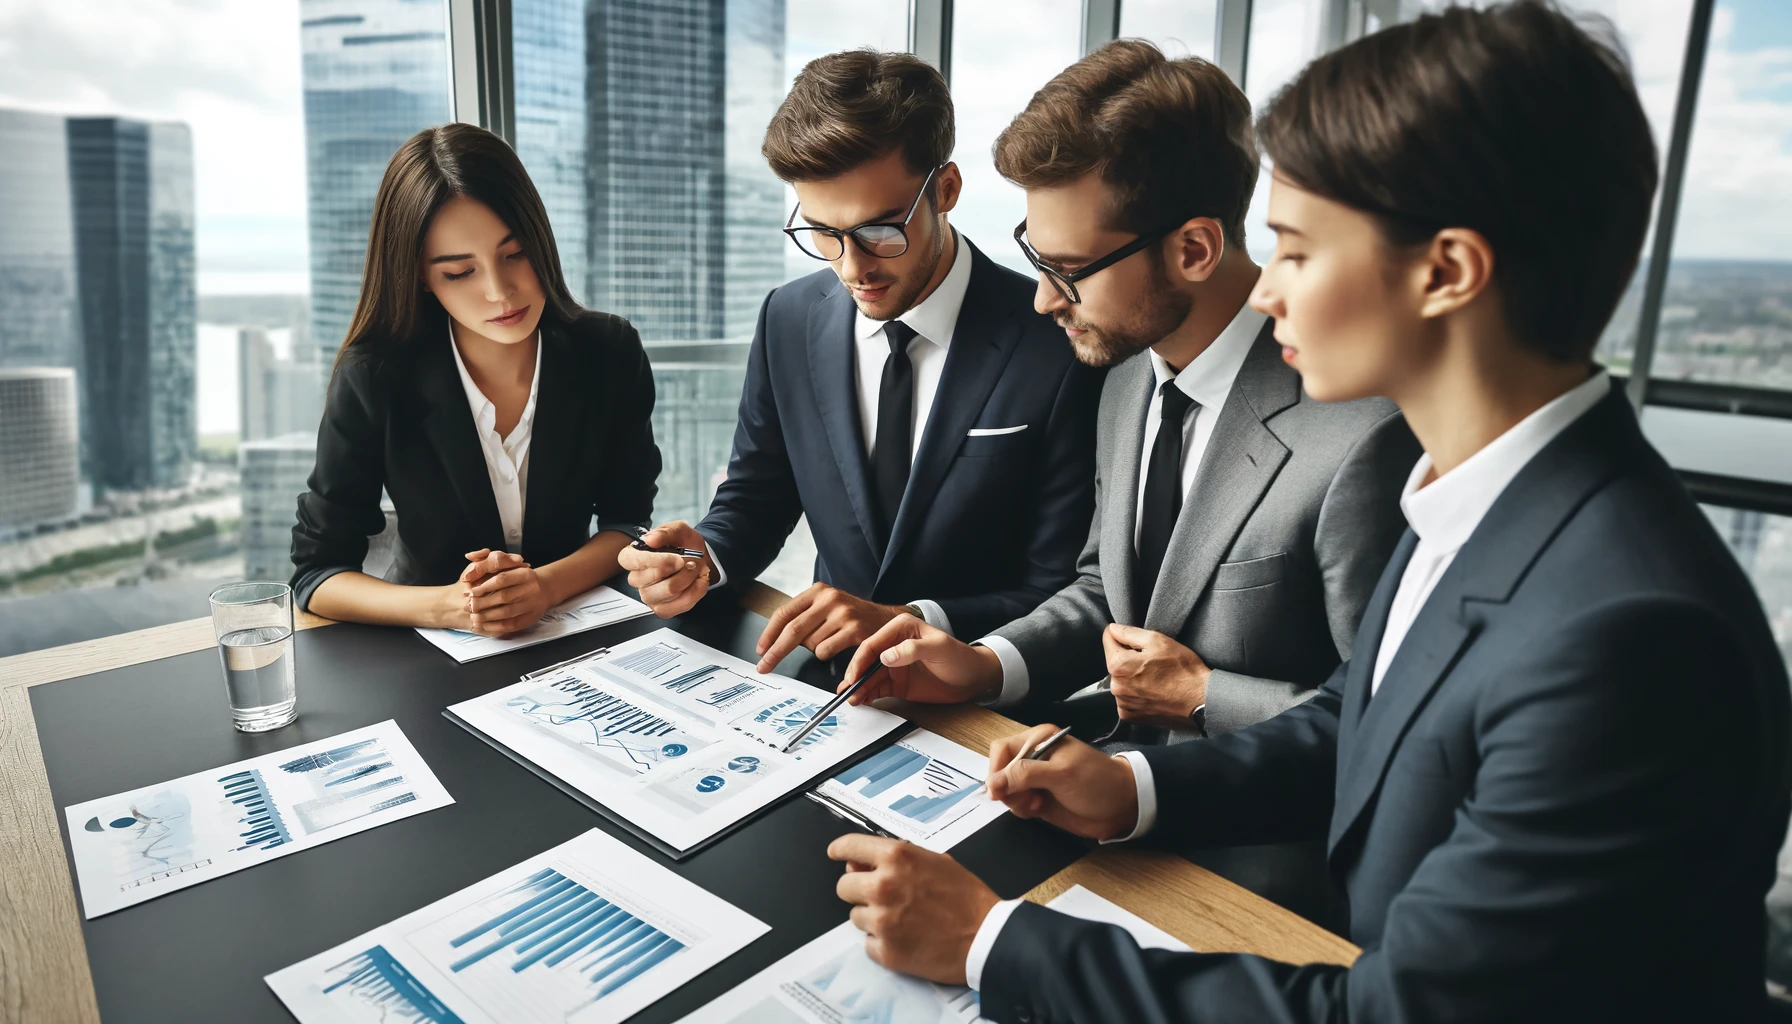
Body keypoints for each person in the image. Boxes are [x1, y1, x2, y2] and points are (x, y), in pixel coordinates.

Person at [827, 3, 1792, 1020]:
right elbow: (1362, 719)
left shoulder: (1630, 636)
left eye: (1292, 247)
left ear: (1446, 272)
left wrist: (994, 945)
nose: (1265, 290)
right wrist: (1138, 791)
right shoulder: (1483, 497)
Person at [838, 41, 1416, 750]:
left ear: (1194, 249)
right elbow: (1108, 595)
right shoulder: (1123, 379)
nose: (1046, 300)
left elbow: (1395, 719)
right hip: (1100, 788)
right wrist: (982, 666)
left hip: (1240, 847)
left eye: (1071, 269)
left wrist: (1207, 699)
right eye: (1036, 259)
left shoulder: (1364, 430)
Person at [618, 50, 1101, 670]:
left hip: (980, 695)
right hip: (824, 674)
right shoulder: (788, 318)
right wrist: (702, 560)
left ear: (946, 190)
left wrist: (916, 621)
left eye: (879, 230)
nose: (852, 267)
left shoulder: (1057, 338)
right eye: (822, 231)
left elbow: (1061, 585)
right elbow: (756, 496)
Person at [290, 123, 660, 635]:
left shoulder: (608, 351)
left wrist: (544, 588)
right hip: (429, 652)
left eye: (515, 254)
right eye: (460, 272)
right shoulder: (375, 375)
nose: (500, 291)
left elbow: (628, 522)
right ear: (419, 274)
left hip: (576, 632)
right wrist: (449, 607)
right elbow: (317, 573)